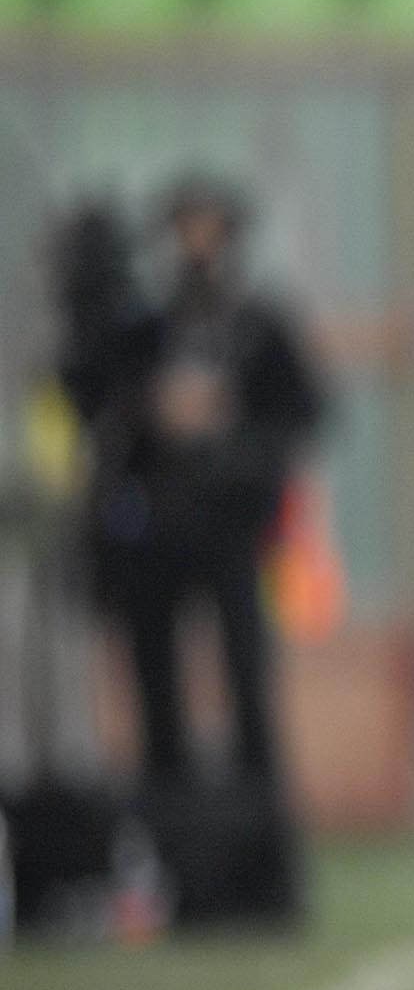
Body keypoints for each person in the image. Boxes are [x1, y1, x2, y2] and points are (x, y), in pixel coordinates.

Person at [82, 181, 324, 795]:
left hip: (232, 522)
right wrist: (152, 409)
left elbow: (302, 414)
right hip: (158, 521)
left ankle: (255, 813)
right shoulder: (146, 327)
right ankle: (170, 813)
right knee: (155, 670)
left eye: (208, 228)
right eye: (186, 228)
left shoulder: (259, 325)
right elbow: (99, 402)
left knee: (245, 665)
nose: (197, 243)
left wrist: (232, 424)